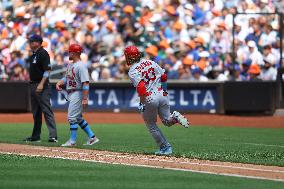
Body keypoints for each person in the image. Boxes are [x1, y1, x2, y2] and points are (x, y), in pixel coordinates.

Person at [124, 45, 189, 155]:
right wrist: (165, 91)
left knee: (151, 124)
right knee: (167, 121)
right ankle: (175, 116)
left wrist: (141, 102)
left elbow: (141, 88)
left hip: (150, 97)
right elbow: (164, 76)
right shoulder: (150, 62)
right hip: (161, 93)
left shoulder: (132, 70)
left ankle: (165, 147)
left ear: (129, 57)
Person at [56, 44, 99, 146]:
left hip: (78, 92)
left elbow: (86, 83)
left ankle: (72, 141)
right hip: (71, 92)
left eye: (70, 51)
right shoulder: (70, 65)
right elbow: (67, 78)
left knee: (72, 117)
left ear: (74, 53)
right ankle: (92, 137)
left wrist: (85, 98)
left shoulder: (81, 66)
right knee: (78, 118)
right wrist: (59, 82)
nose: (68, 53)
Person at [24, 34, 57, 142]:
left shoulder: (43, 53)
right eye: (30, 41)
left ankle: (53, 135)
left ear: (38, 42)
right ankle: (35, 136)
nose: (31, 43)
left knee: (46, 110)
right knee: (36, 112)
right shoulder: (33, 54)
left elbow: (47, 70)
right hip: (33, 84)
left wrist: (42, 84)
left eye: (33, 41)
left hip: (42, 85)